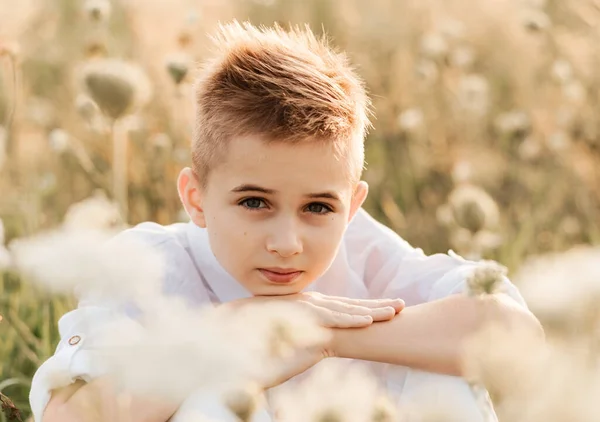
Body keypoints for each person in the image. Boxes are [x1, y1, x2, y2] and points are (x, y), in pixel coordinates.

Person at [32, 21, 542, 422]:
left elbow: (517, 338)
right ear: (196, 198)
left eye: (318, 207)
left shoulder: (362, 250)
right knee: (213, 394)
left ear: (352, 206)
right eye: (254, 202)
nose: (287, 243)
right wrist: (226, 334)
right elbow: (66, 417)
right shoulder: (152, 265)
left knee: (444, 373)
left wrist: (316, 334)